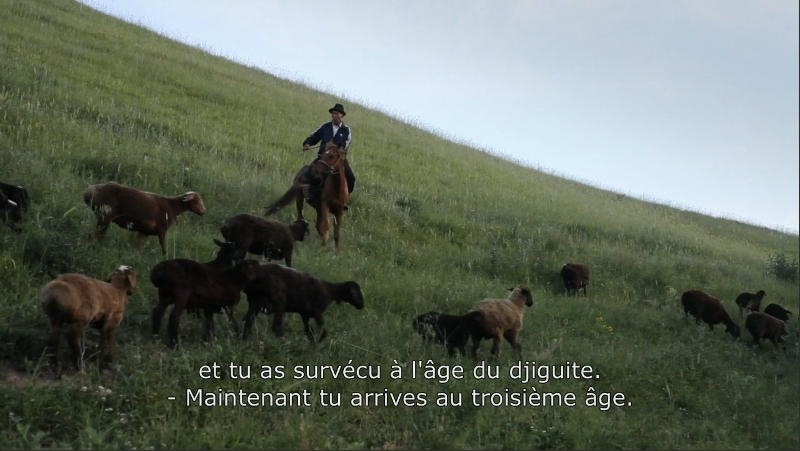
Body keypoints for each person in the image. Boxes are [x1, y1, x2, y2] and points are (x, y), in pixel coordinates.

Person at [299, 103, 356, 205]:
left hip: (338, 160)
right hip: (323, 158)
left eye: (336, 114)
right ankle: (311, 194)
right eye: (333, 113)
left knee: (351, 178)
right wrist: (307, 143)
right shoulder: (325, 126)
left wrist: (338, 150)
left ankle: (344, 199)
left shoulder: (346, 130)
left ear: (342, 115)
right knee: (308, 175)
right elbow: (315, 136)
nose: (334, 116)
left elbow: (346, 144)